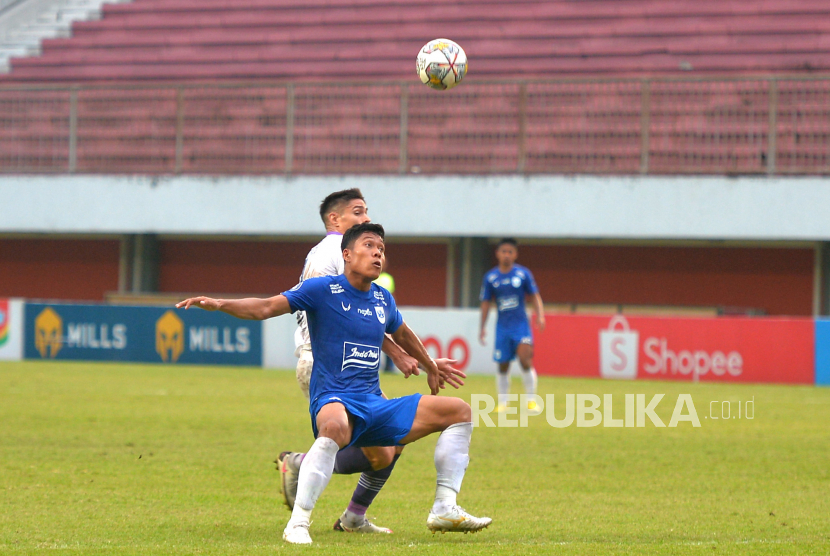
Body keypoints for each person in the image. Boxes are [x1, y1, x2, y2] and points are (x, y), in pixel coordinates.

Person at [177, 223, 491, 545]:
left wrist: (429, 365)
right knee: (334, 426)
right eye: (369, 246)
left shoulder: (383, 298)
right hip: (333, 396)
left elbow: (402, 334)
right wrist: (220, 304)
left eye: (381, 249)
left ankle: (443, 507)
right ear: (347, 254)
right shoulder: (321, 290)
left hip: (373, 402)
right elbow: (267, 307)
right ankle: (298, 523)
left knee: (459, 410)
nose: (377, 253)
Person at [280, 188, 439, 534]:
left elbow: (359, 312)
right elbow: (335, 314)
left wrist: (402, 351)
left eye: (367, 211)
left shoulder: (351, 256)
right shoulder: (329, 256)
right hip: (326, 360)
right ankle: (318, 493)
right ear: (335, 220)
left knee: (387, 446)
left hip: (347, 360)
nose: (366, 218)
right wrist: (396, 350)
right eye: (358, 212)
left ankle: (350, 514)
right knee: (377, 439)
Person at [479, 238, 546, 413]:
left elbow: (534, 296)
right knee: (503, 365)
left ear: (515, 254)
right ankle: (503, 403)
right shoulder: (491, 277)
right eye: (503, 251)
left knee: (525, 359)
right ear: (497, 254)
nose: (506, 255)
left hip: (520, 326)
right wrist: (482, 327)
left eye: (510, 252)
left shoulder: (523, 274)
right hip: (502, 328)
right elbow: (486, 303)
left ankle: (531, 400)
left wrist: (540, 315)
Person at [373, 263, 396, 373]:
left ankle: (389, 367)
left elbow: (391, 296)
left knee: (388, 338)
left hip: (384, 312)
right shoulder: (370, 277)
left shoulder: (388, 279)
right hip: (371, 311)